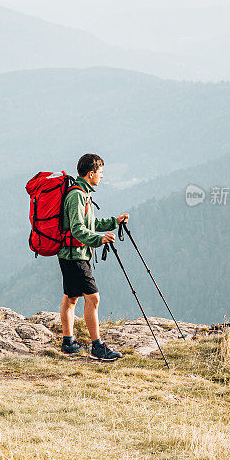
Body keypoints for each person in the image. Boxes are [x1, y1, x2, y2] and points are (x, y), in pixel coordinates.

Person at [58, 153, 129, 361]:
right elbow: (78, 230)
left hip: (71, 254)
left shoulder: (82, 193)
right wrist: (100, 240)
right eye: (100, 172)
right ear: (91, 173)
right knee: (93, 298)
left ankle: (68, 342)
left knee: (71, 297)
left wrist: (115, 222)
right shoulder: (77, 196)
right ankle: (97, 347)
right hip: (75, 256)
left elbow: (92, 224)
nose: (102, 176)